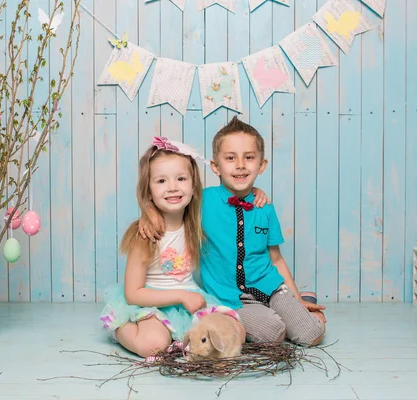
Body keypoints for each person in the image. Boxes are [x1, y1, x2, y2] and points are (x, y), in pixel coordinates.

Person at [139, 117, 326, 347]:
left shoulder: (264, 206)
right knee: (273, 334)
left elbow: (276, 259)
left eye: (249, 157)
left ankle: (301, 306)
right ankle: (275, 317)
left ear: (261, 165)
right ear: (215, 166)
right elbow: (170, 202)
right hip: (231, 298)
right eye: (230, 158)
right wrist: (148, 213)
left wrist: (296, 301)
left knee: (312, 335)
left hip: (272, 287)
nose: (240, 165)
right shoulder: (201, 201)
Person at [99, 137, 244, 360]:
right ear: (148, 191)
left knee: (236, 332)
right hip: (151, 303)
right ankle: (119, 328)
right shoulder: (146, 234)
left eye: (181, 178)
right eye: (161, 181)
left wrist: (258, 193)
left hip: (189, 299)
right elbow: (132, 293)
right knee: (154, 345)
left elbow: (233, 196)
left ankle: (182, 338)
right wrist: (181, 296)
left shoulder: (197, 222)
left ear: (194, 187)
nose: (173, 187)